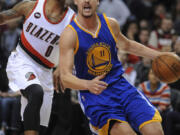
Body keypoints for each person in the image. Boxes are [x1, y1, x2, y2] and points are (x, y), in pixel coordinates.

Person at [59, 0, 176, 134]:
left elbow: (127, 45)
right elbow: (65, 77)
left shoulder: (110, 24)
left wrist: (159, 55)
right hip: (95, 95)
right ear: (76, 1)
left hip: (121, 86)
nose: (86, 1)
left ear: (97, 1)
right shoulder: (70, 34)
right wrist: (88, 84)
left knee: (155, 131)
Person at [0, 0, 75, 135]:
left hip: (46, 72)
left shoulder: (73, 20)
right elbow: (3, 17)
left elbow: (78, 49)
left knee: (39, 128)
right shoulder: (31, 5)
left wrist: (64, 65)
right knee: (35, 92)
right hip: (22, 61)